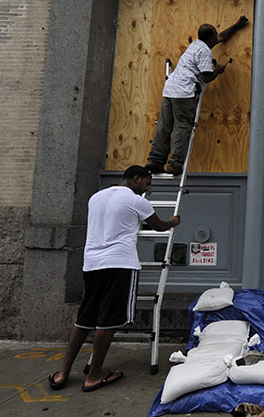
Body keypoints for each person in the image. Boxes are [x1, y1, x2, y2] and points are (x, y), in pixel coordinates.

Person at [48, 165, 181, 392]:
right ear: (136, 178)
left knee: (84, 320)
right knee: (107, 321)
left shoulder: (96, 198)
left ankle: (62, 374)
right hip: (119, 264)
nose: (147, 189)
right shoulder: (137, 201)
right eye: (146, 184)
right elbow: (159, 226)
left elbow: (116, 222)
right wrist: (173, 222)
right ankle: (94, 375)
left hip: (91, 264)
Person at [146, 16, 249, 175]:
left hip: (170, 89)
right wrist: (218, 71)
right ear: (210, 38)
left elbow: (221, 37)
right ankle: (175, 164)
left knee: (164, 125)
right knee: (183, 126)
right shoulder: (205, 52)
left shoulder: (196, 44)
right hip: (184, 93)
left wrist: (237, 25)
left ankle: (154, 160)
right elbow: (206, 76)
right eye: (214, 34)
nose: (217, 37)